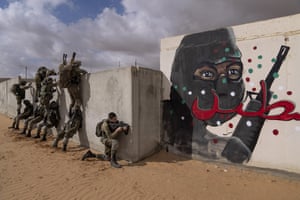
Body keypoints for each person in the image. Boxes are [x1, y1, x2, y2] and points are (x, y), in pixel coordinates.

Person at [58, 52, 87, 116]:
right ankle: (75, 114)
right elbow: (84, 72)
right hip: (74, 87)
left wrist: (73, 57)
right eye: (79, 64)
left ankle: (70, 113)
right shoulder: (75, 69)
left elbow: (70, 63)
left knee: (73, 101)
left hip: (69, 87)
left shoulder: (68, 68)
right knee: (78, 100)